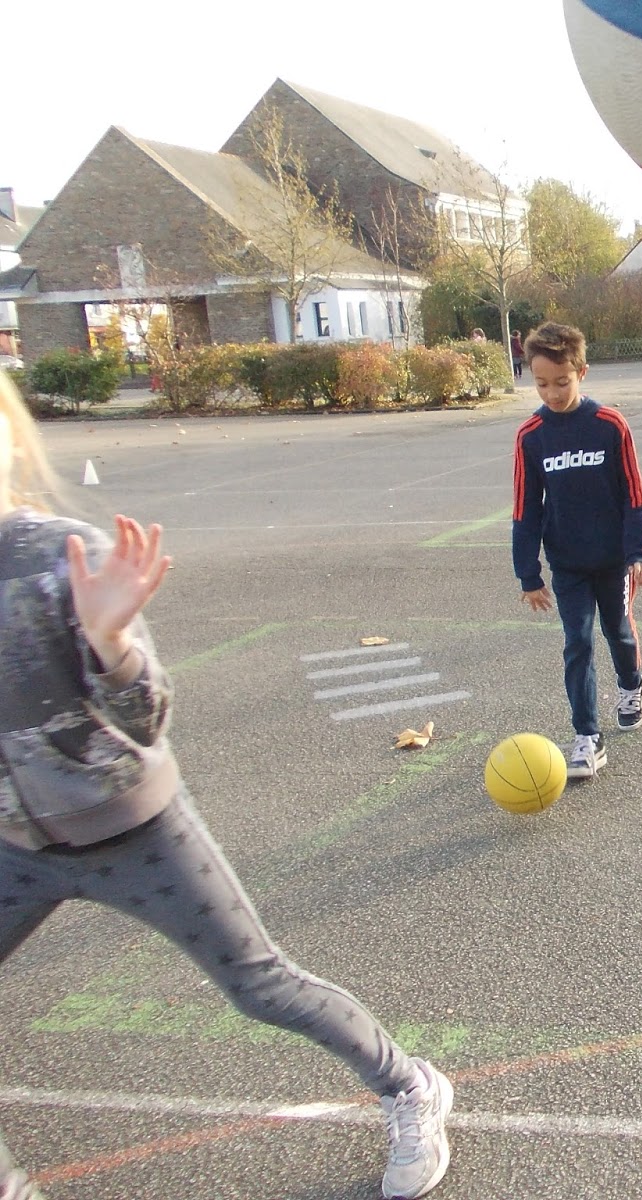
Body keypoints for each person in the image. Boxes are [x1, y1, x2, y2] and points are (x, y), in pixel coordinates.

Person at [0, 373, 453, 1200]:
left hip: (132, 828)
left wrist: (109, 644)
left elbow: (148, 718)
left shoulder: (57, 557)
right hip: (15, 847)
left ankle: (409, 1084)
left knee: (259, 986)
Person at [513, 322, 642, 779]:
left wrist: (640, 553)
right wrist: (528, 575)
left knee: (619, 634)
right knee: (577, 642)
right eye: (540, 383)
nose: (551, 393)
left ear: (582, 372)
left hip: (614, 560)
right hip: (568, 563)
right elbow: (525, 509)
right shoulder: (531, 436)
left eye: (561, 382)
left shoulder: (609, 425)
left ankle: (631, 685)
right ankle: (586, 737)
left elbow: (633, 494)